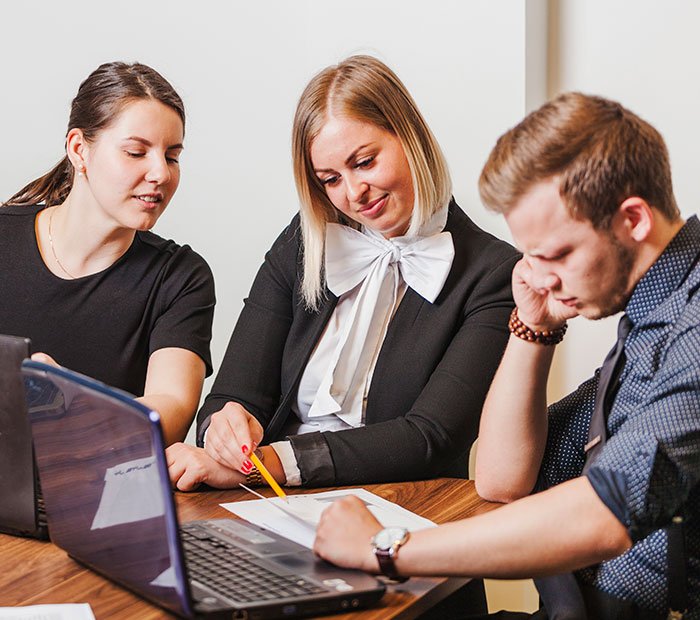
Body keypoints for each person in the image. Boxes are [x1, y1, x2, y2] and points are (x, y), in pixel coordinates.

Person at [312, 92, 700, 619]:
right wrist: (532, 328)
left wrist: (385, 549)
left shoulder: (691, 326)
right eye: (530, 256)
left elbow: (604, 513)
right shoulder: (653, 315)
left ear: (632, 219)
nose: (539, 277)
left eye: (555, 254)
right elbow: (502, 479)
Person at [166, 55, 518, 491]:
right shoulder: (304, 240)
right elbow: (231, 395)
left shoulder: (494, 274)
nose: (354, 194)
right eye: (330, 179)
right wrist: (225, 430)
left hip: (404, 503)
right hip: (266, 493)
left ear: (411, 136)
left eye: (365, 162)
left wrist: (269, 463)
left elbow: (430, 438)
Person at [0, 62, 215, 445]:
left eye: (172, 156)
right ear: (79, 149)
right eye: (136, 152)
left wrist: (75, 405)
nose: (161, 174)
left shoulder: (180, 278)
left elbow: (171, 409)